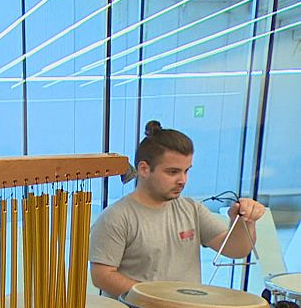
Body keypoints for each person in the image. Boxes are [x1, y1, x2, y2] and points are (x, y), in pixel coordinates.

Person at [89, 120, 266, 298]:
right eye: (172, 172)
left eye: (186, 171)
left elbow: (236, 249)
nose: (182, 180)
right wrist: (159, 299)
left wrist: (245, 222)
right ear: (144, 169)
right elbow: (102, 276)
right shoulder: (116, 217)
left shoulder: (192, 209)